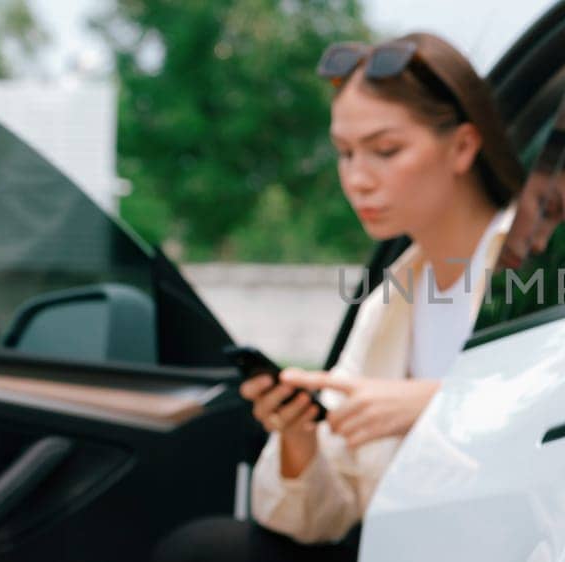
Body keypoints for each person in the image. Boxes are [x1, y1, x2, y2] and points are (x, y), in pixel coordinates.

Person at [154, 32, 524, 562]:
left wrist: (433, 405)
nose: (357, 179)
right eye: (345, 153)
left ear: (463, 146)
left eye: (385, 150)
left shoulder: (542, 263)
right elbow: (325, 516)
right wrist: (300, 438)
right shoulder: (390, 303)